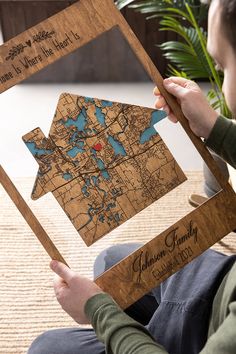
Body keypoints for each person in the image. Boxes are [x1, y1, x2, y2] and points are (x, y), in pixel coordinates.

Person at [28, 0, 236, 353]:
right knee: (112, 264)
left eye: (221, 64)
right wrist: (215, 129)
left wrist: (98, 311)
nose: (218, 74)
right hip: (224, 285)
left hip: (215, 331)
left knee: (49, 346)